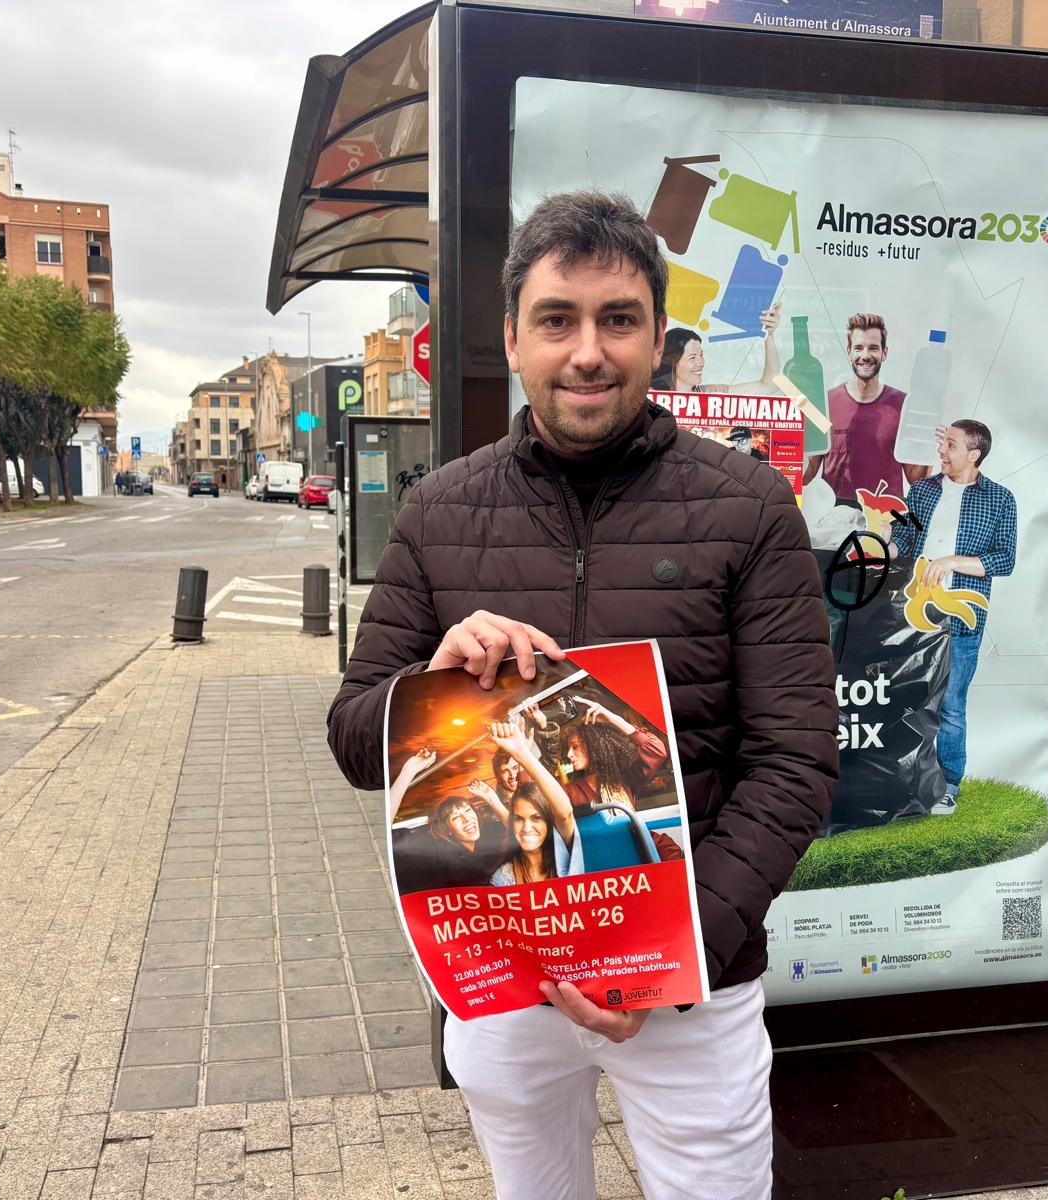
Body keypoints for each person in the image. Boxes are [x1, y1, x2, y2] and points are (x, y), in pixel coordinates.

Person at [328, 190, 837, 1200]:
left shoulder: (747, 508)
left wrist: (669, 949)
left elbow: (796, 760)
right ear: (513, 338)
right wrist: (429, 675)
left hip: (691, 982)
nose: (587, 351)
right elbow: (353, 738)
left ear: (656, 338)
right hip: (504, 975)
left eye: (618, 320)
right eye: (557, 320)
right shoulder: (439, 511)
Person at [890, 419, 1017, 816]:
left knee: (951, 705)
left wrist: (952, 562)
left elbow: (1005, 559)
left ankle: (949, 785)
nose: (942, 452)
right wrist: (874, 548)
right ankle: (903, 778)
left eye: (951, 445)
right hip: (914, 611)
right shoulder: (922, 490)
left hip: (963, 617)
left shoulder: (1000, 499)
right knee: (905, 699)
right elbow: (903, 540)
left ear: (974, 454)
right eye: (942, 443)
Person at [808, 313, 931, 504]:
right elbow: (807, 474)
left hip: (886, 524)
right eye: (858, 348)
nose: (865, 355)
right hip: (833, 524)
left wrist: (928, 446)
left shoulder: (905, 405)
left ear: (884, 353)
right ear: (849, 352)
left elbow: (916, 479)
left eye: (873, 348)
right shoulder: (824, 403)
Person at [563, 698, 684, 863]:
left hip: (643, 846)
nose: (569, 754)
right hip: (606, 858)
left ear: (593, 746)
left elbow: (656, 750)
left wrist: (612, 718)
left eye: (575, 746)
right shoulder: (568, 792)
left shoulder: (624, 778)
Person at [388, 748, 513, 894]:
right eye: (455, 817)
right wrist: (408, 771)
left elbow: (520, 833)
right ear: (447, 829)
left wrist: (492, 800)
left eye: (468, 811)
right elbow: (386, 837)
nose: (466, 819)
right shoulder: (436, 853)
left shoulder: (489, 839)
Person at [484, 716, 586, 885]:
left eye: (536, 818)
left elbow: (565, 813)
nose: (526, 827)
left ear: (548, 820)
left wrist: (521, 752)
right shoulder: (503, 878)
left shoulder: (564, 853)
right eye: (518, 819)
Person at [649, 304, 782, 394]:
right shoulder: (651, 397)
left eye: (701, 355)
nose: (700, 363)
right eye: (692, 357)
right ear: (672, 361)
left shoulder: (712, 394)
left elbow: (769, 385)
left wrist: (769, 335)